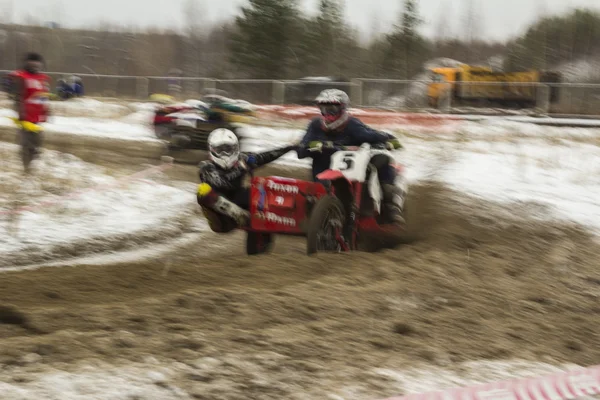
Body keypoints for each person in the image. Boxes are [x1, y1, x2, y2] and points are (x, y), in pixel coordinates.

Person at [297, 88, 406, 224]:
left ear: (343, 109)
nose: (328, 114)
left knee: (384, 161)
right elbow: (301, 152)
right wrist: (310, 147)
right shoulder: (315, 126)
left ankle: (391, 208)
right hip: (322, 178)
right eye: (324, 109)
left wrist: (390, 140)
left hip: (351, 177)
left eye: (333, 109)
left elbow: (373, 135)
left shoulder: (352, 125)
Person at [197, 128, 296, 233]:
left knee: (261, 189)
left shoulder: (242, 159)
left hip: (239, 200)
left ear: (235, 148)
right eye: (220, 150)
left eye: (228, 149)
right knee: (203, 191)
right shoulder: (206, 167)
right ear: (211, 150)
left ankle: (274, 221)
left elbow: (265, 156)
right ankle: (237, 213)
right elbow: (223, 182)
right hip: (220, 218)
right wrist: (242, 168)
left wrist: (288, 148)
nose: (225, 153)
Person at [10, 53, 51, 173]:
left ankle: (31, 161)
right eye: (32, 63)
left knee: (37, 142)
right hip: (25, 115)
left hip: (37, 115)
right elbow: (18, 96)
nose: (35, 66)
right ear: (27, 63)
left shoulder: (42, 79)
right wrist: (20, 111)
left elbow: (43, 95)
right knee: (26, 142)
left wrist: (47, 110)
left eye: (37, 63)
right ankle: (26, 167)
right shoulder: (22, 77)